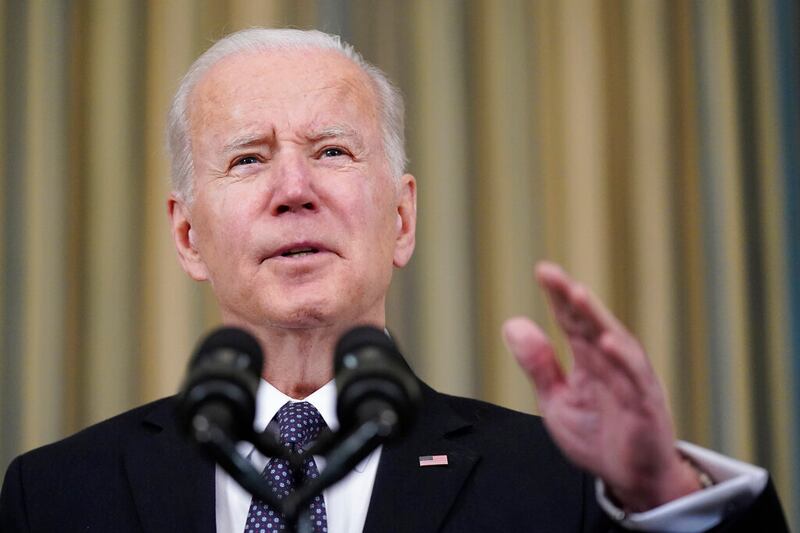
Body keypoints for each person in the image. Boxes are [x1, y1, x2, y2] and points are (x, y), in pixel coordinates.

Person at [0, 28, 788, 533]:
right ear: (187, 233)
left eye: (333, 151)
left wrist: (663, 486)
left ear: (402, 219)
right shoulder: (59, 495)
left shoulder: (563, 488)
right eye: (248, 157)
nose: (294, 188)